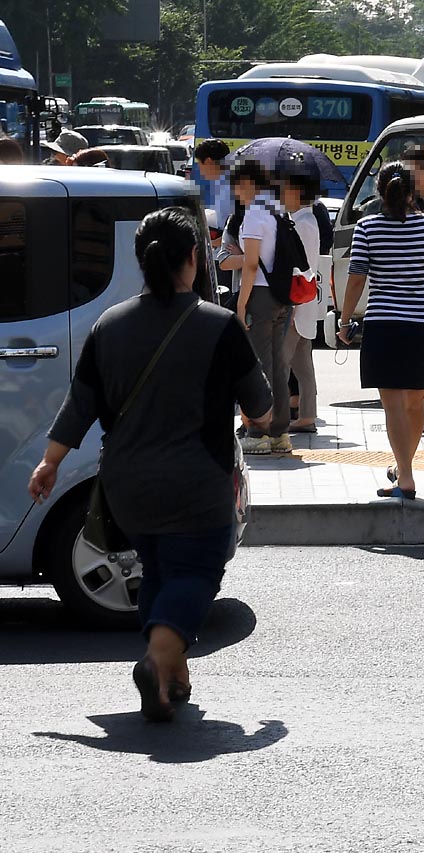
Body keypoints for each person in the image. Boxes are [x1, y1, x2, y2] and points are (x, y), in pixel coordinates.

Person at [28, 207, 271, 722]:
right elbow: (261, 407)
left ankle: (172, 671)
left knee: (158, 568)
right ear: (192, 259)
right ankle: (160, 655)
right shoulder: (219, 325)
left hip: (126, 487)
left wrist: (49, 464)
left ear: (141, 261)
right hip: (198, 481)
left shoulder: (109, 324)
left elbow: (79, 406)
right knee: (198, 570)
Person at [338, 162, 424, 500]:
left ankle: (406, 477)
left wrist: (344, 321)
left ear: (379, 190)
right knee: (416, 402)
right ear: (412, 192)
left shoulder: (367, 227)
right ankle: (405, 468)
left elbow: (357, 277)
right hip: (421, 323)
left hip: (384, 324)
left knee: (394, 406)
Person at [223, 159, 291, 455]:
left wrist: (241, 302)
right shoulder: (278, 210)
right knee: (277, 364)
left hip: (259, 295)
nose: (235, 192)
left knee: (258, 363)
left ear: (247, 183)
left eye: (236, 185)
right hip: (281, 295)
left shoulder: (253, 215)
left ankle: (258, 431)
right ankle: (279, 433)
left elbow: (250, 264)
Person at [280, 174, 323, 434]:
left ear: (298, 192)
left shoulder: (303, 223)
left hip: (295, 301)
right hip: (303, 302)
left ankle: (281, 415)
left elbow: (299, 266)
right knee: (302, 364)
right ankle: (307, 415)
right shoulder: (304, 220)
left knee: (283, 362)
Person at [195, 139, 235, 297]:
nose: (199, 168)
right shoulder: (225, 183)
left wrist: (213, 243)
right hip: (224, 254)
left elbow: (232, 225)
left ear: (210, 161)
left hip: (227, 257)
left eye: (200, 163)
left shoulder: (227, 187)